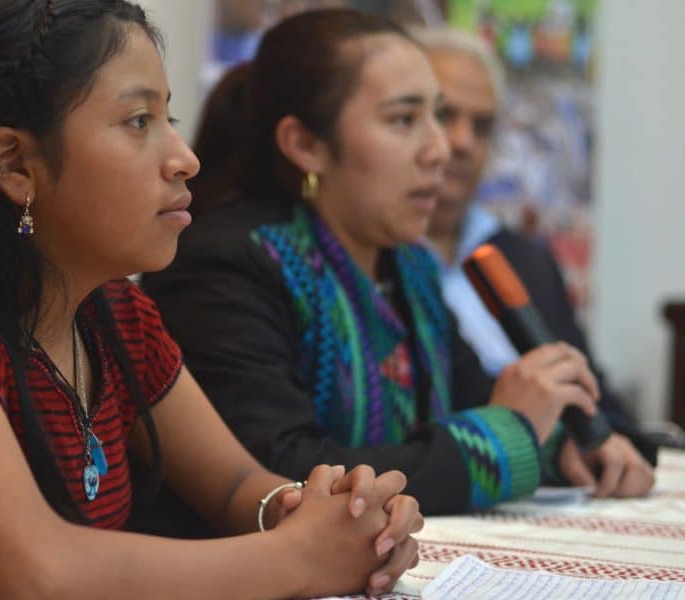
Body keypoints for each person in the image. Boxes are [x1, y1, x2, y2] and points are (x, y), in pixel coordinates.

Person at [0, 2, 423, 598]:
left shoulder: (118, 316)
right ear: (16, 165)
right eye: (138, 121)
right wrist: (297, 560)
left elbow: (231, 488)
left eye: (170, 117)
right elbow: (33, 573)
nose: (184, 157)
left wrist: (321, 514)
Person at [132, 9, 604, 538]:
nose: (441, 150)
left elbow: (477, 396)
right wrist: (508, 436)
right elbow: (287, 469)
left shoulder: (409, 265)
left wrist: (568, 447)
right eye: (404, 120)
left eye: (437, 116)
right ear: (306, 145)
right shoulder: (226, 263)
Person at [413, 27, 656, 496]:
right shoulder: (380, 261)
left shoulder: (524, 257)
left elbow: (594, 395)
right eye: (444, 116)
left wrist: (610, 443)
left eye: (482, 125)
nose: (462, 142)